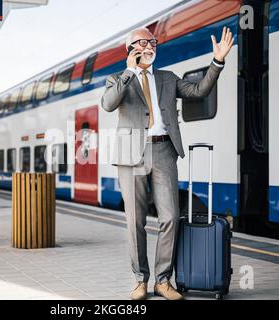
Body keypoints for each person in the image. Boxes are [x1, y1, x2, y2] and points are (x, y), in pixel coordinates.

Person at [100, 26, 233, 300]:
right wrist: (130, 71)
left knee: (170, 217)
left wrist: (217, 61)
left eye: (153, 42)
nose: (150, 46)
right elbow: (109, 105)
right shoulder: (117, 78)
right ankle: (140, 280)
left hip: (163, 151)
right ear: (131, 48)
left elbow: (199, 90)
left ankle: (163, 281)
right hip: (131, 154)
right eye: (143, 42)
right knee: (135, 220)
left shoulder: (168, 78)